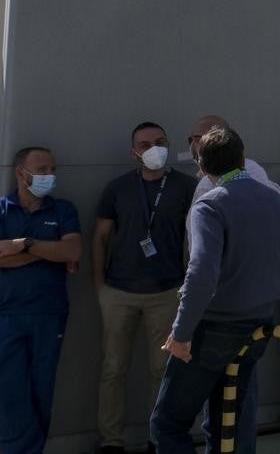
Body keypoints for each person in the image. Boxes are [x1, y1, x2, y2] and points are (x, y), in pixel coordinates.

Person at [149, 126, 280, 453]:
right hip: (259, 324)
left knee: (167, 424)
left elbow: (201, 271)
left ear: (202, 168)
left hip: (214, 329)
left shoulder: (209, 205)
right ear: (242, 159)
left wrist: (181, 334)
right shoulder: (276, 201)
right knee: (226, 419)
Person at [93, 122, 198, 453]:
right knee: (113, 369)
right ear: (133, 152)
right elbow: (100, 237)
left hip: (167, 293)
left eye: (160, 141)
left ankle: (158, 439)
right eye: (145, 143)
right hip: (119, 292)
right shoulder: (117, 188)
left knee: (162, 371)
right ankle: (111, 441)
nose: (153, 148)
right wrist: (99, 287)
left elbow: (197, 239)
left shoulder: (186, 186)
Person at [0, 147, 82, 454]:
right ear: (21, 173)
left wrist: (24, 245)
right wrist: (47, 254)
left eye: (53, 169)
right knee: (9, 393)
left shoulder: (63, 210)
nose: (50, 175)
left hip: (49, 314)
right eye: (42, 169)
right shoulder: (2, 209)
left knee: (40, 390)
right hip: (6, 316)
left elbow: (72, 252)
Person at [188, 115, 279, 202]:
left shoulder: (206, 194)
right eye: (191, 140)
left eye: (197, 139)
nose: (193, 144)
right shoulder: (270, 193)